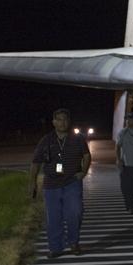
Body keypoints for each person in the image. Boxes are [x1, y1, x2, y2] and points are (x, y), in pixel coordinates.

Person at [29, 108, 91, 257]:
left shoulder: (78, 139)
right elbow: (36, 162)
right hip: (51, 184)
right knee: (53, 217)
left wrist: (83, 171)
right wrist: (32, 183)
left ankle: (74, 243)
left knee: (75, 212)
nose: (62, 122)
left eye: (65, 119)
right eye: (59, 119)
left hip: (72, 182)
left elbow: (87, 155)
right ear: (53, 122)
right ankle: (56, 248)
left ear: (68, 122)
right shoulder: (46, 140)